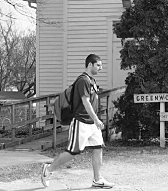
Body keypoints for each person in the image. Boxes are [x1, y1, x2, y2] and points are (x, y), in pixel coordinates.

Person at [41, 54, 114, 189]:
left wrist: (95, 121)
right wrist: (97, 119)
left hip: (91, 124)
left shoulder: (91, 81)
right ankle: (48, 169)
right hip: (81, 122)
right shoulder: (83, 81)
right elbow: (85, 102)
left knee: (98, 148)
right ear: (90, 65)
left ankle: (97, 179)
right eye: (98, 65)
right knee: (72, 152)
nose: (101, 68)